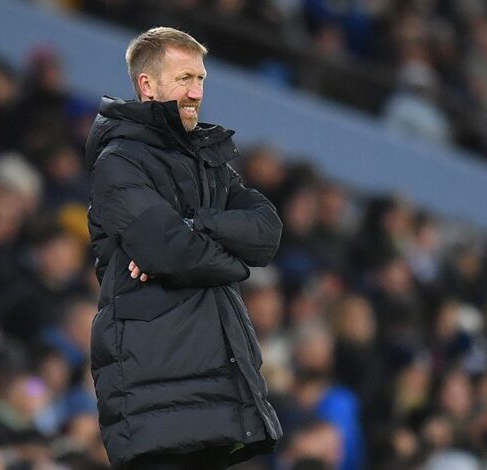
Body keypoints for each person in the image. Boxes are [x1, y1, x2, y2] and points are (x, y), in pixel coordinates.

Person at [86, 27, 283, 469]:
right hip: (156, 390)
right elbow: (168, 250)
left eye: (201, 79)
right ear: (147, 85)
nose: (196, 92)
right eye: (184, 79)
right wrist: (234, 263)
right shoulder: (118, 161)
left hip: (217, 386)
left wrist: (197, 223)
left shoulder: (210, 157)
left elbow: (266, 232)